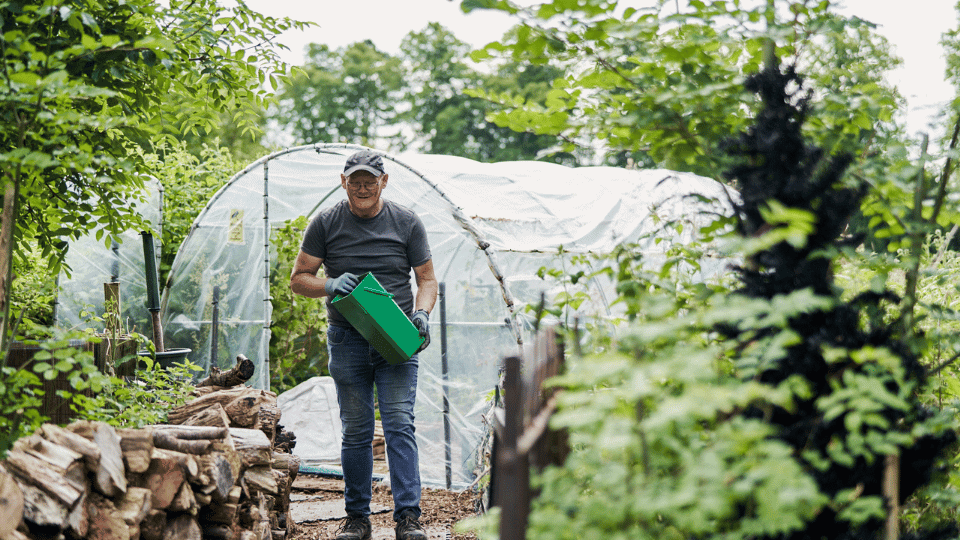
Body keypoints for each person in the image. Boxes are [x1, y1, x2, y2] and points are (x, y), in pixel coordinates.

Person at [289, 149, 438, 540]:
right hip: (347, 339)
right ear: (343, 182)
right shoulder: (325, 223)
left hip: (396, 340)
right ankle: (357, 519)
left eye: (369, 181)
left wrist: (421, 315)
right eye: (354, 181)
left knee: (398, 425)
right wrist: (330, 285)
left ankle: (408, 519)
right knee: (356, 431)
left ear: (383, 182)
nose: (362, 188)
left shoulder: (406, 222)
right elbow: (299, 278)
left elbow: (427, 279)